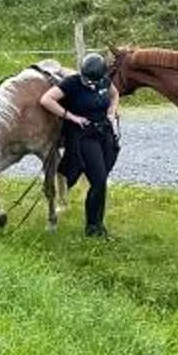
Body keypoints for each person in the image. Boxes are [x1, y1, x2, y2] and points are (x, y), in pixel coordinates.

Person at [40, 52, 119, 236]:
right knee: (98, 180)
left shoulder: (104, 81)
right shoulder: (72, 83)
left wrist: (112, 111)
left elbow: (114, 94)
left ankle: (98, 224)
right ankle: (92, 227)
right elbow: (46, 100)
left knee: (101, 180)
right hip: (83, 137)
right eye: (86, 79)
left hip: (103, 133)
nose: (89, 83)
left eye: (93, 80)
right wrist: (72, 117)